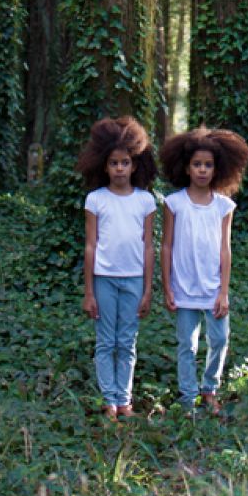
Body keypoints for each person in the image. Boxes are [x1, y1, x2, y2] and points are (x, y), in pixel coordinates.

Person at [156, 126, 248, 413]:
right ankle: (188, 396)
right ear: (186, 167)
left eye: (208, 165)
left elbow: (225, 248)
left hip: (213, 288)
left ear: (217, 169)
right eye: (197, 164)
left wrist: (224, 291)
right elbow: (167, 245)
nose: (202, 170)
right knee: (187, 344)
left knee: (219, 339)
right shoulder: (174, 203)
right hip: (184, 286)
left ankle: (210, 388)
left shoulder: (224, 206)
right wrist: (167, 286)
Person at [77, 116, 157, 419]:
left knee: (127, 342)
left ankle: (125, 400)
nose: (120, 168)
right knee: (105, 341)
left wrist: (148, 290)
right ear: (105, 166)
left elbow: (149, 246)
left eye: (125, 162)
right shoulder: (95, 200)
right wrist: (88, 291)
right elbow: (90, 245)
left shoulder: (145, 201)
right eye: (114, 163)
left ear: (134, 165)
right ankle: (108, 400)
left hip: (134, 279)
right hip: (104, 279)